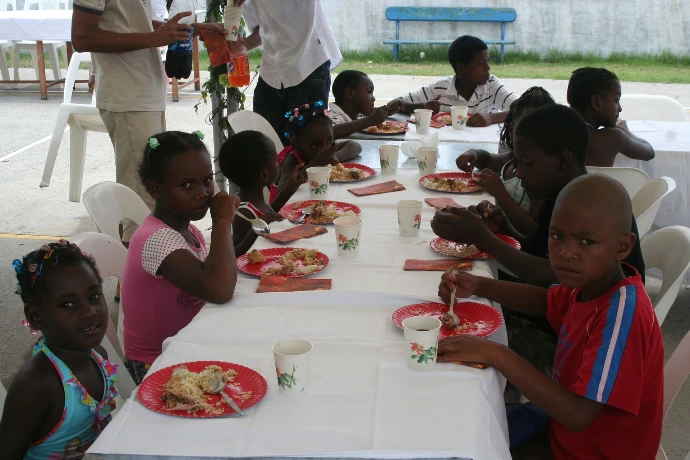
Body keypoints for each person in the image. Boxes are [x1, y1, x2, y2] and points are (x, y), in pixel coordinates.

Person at [436, 174, 663, 459]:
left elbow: (579, 414)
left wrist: (497, 354)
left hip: (587, 451)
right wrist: (479, 285)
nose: (566, 253)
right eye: (557, 236)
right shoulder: (593, 283)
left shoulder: (621, 316)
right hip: (560, 427)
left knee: (460, 441)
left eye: (586, 241)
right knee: (458, 421)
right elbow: (546, 302)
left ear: (623, 247)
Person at [431, 104, 646, 290]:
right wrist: (503, 227)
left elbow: (549, 276)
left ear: (562, 161)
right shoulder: (557, 197)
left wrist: (483, 238)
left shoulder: (590, 207)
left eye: (527, 163)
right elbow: (538, 250)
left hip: (592, 318)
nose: (519, 173)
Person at [71, 0, 227, 243]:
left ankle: (152, 263)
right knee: (139, 208)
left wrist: (191, 29)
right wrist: (156, 38)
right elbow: (81, 38)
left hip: (145, 94)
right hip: (128, 96)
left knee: (153, 199)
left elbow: (136, 25)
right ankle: (134, 267)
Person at [122, 131, 240, 384]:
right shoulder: (156, 239)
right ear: (155, 189)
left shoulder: (189, 230)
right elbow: (220, 290)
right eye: (187, 185)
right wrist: (221, 221)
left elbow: (217, 275)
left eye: (207, 180)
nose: (202, 193)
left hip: (188, 345)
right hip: (156, 364)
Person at [0, 241, 119, 460]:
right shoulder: (36, 386)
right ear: (36, 317)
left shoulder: (98, 356)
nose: (89, 312)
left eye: (94, 296)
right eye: (67, 304)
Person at [455, 87, 555, 235]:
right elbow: (488, 159)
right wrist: (473, 154)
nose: (532, 136)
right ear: (511, 131)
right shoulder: (511, 159)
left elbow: (534, 233)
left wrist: (499, 193)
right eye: (525, 128)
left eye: (540, 130)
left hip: (517, 245)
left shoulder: (541, 177)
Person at [238, 0, 342, 143]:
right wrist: (246, 44)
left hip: (306, 66)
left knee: (310, 143)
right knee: (267, 143)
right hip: (271, 72)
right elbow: (263, 27)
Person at [391, 35, 517, 127]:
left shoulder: (491, 84)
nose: (488, 68)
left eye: (488, 61)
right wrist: (422, 106)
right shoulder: (439, 89)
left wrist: (491, 117)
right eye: (481, 63)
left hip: (484, 149)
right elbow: (393, 105)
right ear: (461, 68)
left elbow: (523, 109)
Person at [219, 130, 306, 256]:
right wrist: (255, 231)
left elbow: (271, 212)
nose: (279, 163)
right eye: (276, 160)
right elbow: (234, 255)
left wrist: (289, 188)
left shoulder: (255, 200)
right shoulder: (244, 212)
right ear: (265, 175)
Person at [567, 67, 655, 167]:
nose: (620, 108)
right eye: (616, 100)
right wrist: (626, 132)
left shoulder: (560, 132)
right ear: (596, 102)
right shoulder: (613, 137)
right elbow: (649, 152)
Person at [277, 101, 362, 189]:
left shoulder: (328, 149)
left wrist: (336, 156)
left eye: (329, 141)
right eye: (315, 145)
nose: (324, 149)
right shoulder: (291, 161)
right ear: (295, 145)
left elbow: (354, 145)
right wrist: (315, 164)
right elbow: (282, 190)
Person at [328, 70, 402, 138]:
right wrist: (369, 120)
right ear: (350, 94)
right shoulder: (332, 117)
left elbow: (362, 114)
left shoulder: (352, 113)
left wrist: (384, 112)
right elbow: (329, 131)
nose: (373, 98)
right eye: (369, 91)